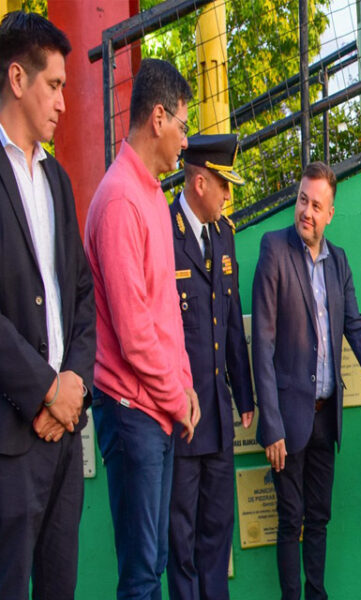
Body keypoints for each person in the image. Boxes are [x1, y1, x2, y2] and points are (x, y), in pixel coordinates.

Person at [251, 160, 361, 600]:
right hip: (288, 420)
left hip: (325, 418)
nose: (307, 211)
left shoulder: (338, 262)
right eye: (303, 200)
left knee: (319, 517)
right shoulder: (273, 250)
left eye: (316, 205)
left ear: (330, 213)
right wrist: (272, 425)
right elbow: (261, 345)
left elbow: (355, 329)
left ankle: (316, 595)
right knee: (290, 519)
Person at [84, 58, 200, 599]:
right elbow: (133, 334)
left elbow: (164, 314)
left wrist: (186, 387)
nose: (184, 139)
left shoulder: (152, 195)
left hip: (158, 407)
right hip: (132, 413)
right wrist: (177, 398)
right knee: (140, 575)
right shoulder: (118, 201)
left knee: (154, 561)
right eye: (182, 123)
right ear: (158, 117)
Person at [0, 12, 96, 599]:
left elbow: (81, 296)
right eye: (54, 85)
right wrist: (44, 389)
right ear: (17, 79)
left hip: (65, 437)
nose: (64, 100)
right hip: (10, 441)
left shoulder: (58, 180)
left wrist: (72, 388)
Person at [167, 134, 255, 600]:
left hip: (218, 415)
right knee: (179, 540)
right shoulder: (163, 232)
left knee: (217, 533)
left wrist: (244, 395)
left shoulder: (224, 234)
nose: (228, 195)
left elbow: (231, 319)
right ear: (200, 182)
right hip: (179, 417)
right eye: (224, 185)